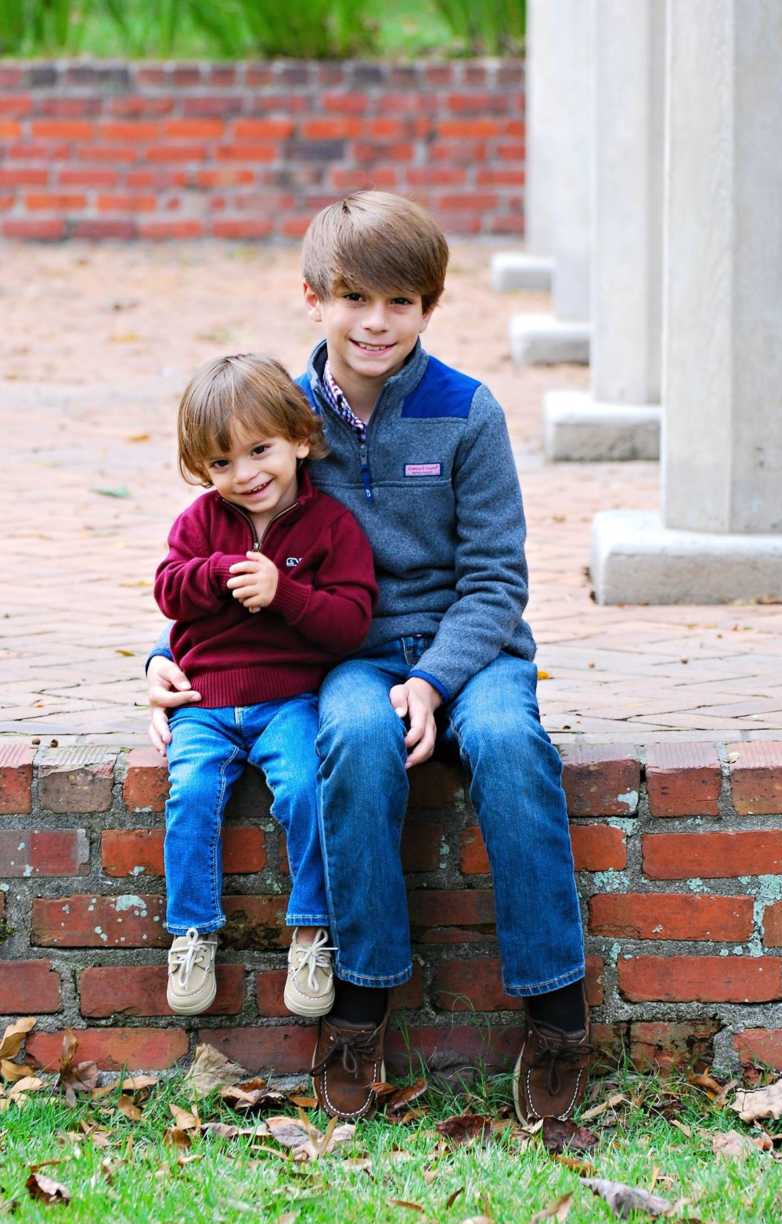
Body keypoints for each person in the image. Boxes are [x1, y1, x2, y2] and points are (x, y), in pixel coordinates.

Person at [148, 192, 589, 1122]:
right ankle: (363, 995)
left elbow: (497, 579)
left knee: (509, 743)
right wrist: (166, 654)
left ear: (430, 306)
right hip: (349, 650)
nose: (376, 322)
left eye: (401, 302)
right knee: (348, 734)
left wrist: (436, 680)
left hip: (476, 650)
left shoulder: (467, 411)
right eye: (355, 298)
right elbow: (230, 540)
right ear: (315, 297)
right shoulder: (283, 415)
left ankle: (555, 1007)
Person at [154, 353, 376, 1020]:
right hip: (206, 701)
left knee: (309, 788)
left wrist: (287, 593)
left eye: (259, 451)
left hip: (289, 699)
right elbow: (167, 589)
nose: (244, 475)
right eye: (222, 463)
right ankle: (191, 931)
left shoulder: (330, 526)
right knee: (190, 792)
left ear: (299, 441)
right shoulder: (200, 523)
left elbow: (352, 623)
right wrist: (218, 570)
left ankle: (312, 931)